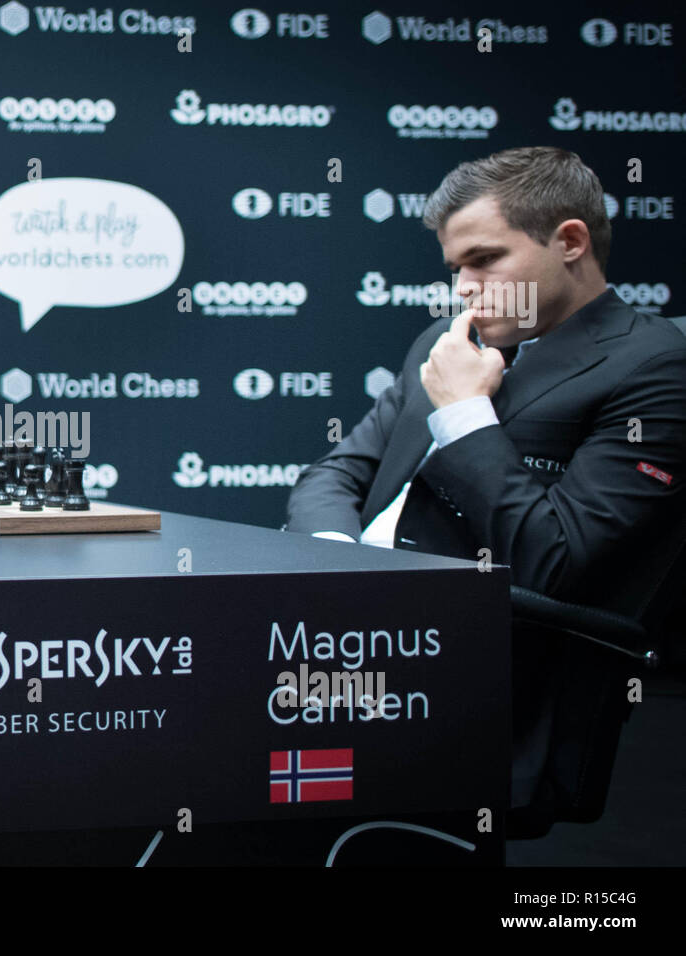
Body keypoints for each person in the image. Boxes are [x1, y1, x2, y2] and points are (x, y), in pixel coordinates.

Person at [285, 146, 686, 821]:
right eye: (454, 268)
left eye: (485, 259)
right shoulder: (444, 345)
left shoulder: (654, 368)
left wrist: (466, 415)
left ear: (569, 241)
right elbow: (336, 473)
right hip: (338, 635)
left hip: (468, 674)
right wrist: (336, 556)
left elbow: (554, 563)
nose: (464, 287)